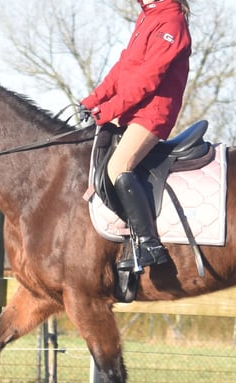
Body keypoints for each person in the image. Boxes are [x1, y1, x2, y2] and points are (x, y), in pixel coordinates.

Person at [81, 0, 191, 272]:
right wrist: (91, 100)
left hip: (153, 113)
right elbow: (123, 68)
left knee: (118, 166)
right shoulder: (147, 17)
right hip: (133, 111)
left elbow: (148, 79)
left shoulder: (172, 22)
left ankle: (150, 245)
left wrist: (107, 111)